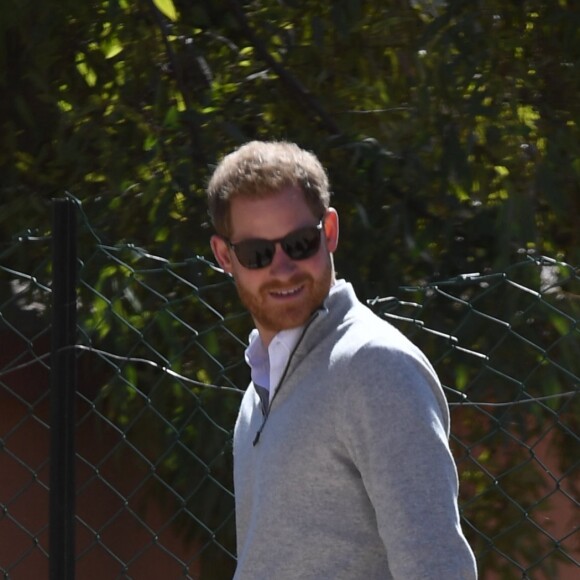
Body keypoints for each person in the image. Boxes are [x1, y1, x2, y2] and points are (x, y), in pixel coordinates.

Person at [207, 140, 477, 579]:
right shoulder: (258, 392)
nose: (283, 268)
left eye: (299, 243)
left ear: (328, 232)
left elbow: (436, 564)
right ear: (225, 257)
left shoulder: (375, 367)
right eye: (258, 253)